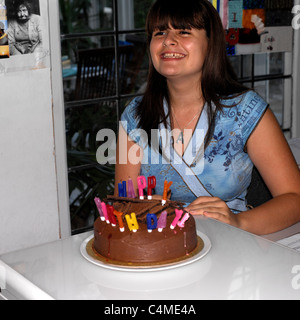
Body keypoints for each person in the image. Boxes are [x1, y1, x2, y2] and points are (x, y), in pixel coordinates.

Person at [115, 0, 300, 235]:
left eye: (183, 31)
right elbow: (124, 202)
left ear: (210, 43)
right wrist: (142, 209)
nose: (168, 40)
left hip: (232, 246)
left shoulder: (246, 111)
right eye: (159, 32)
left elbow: (294, 198)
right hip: (160, 247)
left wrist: (238, 222)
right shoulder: (135, 115)